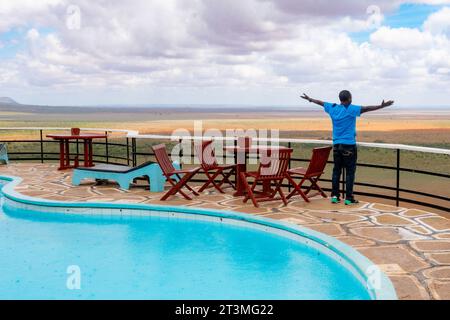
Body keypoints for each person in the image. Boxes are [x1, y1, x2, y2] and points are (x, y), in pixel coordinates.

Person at [301, 90, 394, 205]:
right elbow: (367, 108)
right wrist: (381, 106)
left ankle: (335, 196)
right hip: (349, 146)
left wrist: (310, 99)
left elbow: (321, 103)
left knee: (336, 171)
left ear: (340, 99)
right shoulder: (351, 109)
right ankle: (349, 198)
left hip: (336, 146)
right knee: (350, 173)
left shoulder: (333, 108)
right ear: (349, 98)